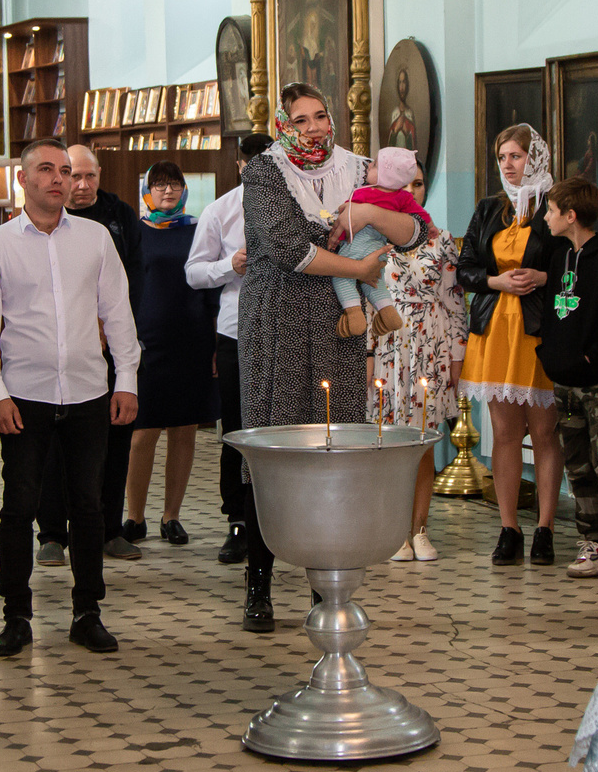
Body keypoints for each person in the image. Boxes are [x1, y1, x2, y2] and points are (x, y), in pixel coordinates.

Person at [236, 83, 405, 631]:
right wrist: (359, 269)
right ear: (283, 126)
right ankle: (258, 583)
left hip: (337, 324)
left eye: (320, 116)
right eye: (301, 120)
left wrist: (377, 214)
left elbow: (411, 227)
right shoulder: (263, 173)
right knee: (273, 449)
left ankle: (326, 586)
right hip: (278, 321)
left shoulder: (357, 169)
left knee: (334, 446)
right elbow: (288, 248)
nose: (313, 128)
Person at [0, 138, 140, 657]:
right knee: (19, 507)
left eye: (65, 171)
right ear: (22, 179)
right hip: (25, 396)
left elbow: (118, 313)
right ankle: (16, 616)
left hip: (88, 391)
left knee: (88, 507)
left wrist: (127, 380)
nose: (59, 179)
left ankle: (87, 613)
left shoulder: (94, 238)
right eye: (46, 170)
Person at [456, 123, 566, 566]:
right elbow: (465, 268)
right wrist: (495, 281)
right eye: (502, 157)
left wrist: (543, 277)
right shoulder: (489, 208)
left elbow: (573, 264)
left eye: (516, 156)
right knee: (504, 433)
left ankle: (545, 528)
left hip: (538, 329)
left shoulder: (556, 206)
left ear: (534, 158)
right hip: (495, 328)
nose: (508, 165)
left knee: (543, 432)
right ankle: (509, 529)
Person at [533, 177, 598, 585]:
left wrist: (594, 356)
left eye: (551, 210)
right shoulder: (560, 256)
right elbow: (553, 311)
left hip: (596, 381)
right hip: (564, 378)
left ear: (571, 215)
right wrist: (551, 353)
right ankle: (592, 541)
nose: (546, 217)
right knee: (577, 465)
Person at [53, 143, 145, 563]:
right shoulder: (51, 216)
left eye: (90, 176)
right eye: (75, 176)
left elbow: (134, 278)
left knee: (114, 437)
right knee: (56, 441)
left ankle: (110, 528)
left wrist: (112, 326)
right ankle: (52, 533)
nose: (82, 185)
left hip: (112, 345)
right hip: (63, 347)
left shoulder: (120, 215)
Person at [187, 133, 276, 565]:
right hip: (236, 332)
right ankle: (238, 521)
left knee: (282, 427)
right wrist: (229, 265)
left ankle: (280, 519)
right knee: (237, 429)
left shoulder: (296, 205)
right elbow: (194, 273)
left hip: (283, 331)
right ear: (239, 166)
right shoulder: (220, 210)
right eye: (250, 164)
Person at [122, 160, 218, 546]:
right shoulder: (135, 232)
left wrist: (214, 341)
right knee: (142, 432)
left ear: (184, 190)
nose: (167, 191)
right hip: (148, 340)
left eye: (174, 184)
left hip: (193, 338)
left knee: (184, 430)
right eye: (159, 185)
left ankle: (171, 516)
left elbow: (211, 285)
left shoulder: (198, 230)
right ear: (147, 191)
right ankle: (134, 517)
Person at [375, 160, 461, 564]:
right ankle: (395, 532)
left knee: (424, 442)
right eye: (404, 184)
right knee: (390, 443)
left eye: (419, 183)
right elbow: (362, 297)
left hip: (431, 346)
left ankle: (421, 529)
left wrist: (457, 358)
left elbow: (455, 303)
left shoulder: (442, 241)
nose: (412, 191)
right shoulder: (373, 238)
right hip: (389, 345)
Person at [329, 147, 431, 339]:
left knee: (342, 277)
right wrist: (431, 225)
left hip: (356, 245)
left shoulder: (362, 192)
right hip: (379, 248)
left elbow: (347, 219)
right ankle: (387, 311)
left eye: (374, 165)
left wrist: (336, 241)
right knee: (374, 282)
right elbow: (422, 218)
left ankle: (354, 315)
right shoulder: (403, 197)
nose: (369, 166)